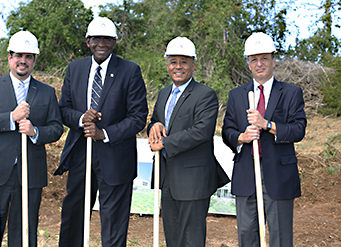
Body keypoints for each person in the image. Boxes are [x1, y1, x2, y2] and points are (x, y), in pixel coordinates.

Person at [54, 17, 148, 246]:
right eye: (96, 39)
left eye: (107, 39)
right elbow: (63, 109)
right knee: (74, 214)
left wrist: (103, 133)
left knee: (114, 220)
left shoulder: (130, 71)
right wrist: (80, 119)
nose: (101, 44)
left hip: (115, 156)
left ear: (114, 42)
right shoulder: (74, 69)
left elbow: (137, 118)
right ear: (88, 41)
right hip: (80, 154)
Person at [0, 30, 63, 247]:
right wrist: (11, 118)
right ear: (9, 58)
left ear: (34, 60)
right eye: (18, 56)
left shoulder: (46, 92)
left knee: (24, 231)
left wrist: (35, 132)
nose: (23, 61)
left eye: (28, 56)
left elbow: (56, 128)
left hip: (30, 173)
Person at [222, 32, 307, 247]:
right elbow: (227, 131)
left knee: (280, 236)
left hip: (279, 175)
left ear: (273, 60)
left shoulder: (291, 93)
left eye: (264, 58)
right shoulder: (236, 95)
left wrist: (267, 124)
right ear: (248, 64)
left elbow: (298, 130)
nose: (259, 64)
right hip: (246, 176)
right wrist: (241, 137)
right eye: (254, 60)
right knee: (247, 234)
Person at [147, 36, 230, 247]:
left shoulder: (205, 95)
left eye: (184, 62)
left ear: (193, 65)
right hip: (167, 178)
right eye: (173, 61)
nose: (178, 67)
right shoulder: (164, 93)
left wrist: (165, 143)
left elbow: (201, 131)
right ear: (167, 65)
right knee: (172, 239)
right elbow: (156, 121)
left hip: (193, 180)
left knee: (191, 240)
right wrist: (153, 127)